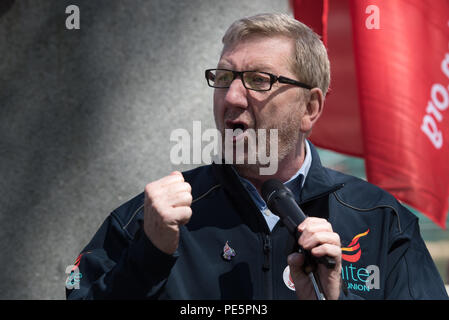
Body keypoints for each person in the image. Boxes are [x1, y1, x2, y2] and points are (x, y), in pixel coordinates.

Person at [66, 13, 448, 300]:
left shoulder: (380, 220)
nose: (231, 97)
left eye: (259, 81)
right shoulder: (149, 221)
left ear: (310, 108)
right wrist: (148, 257)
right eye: (223, 78)